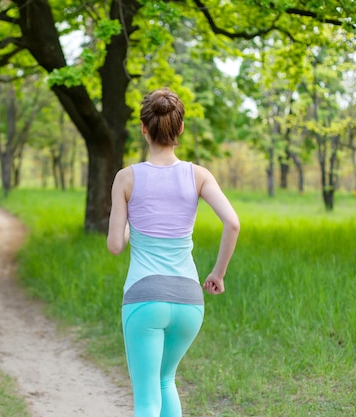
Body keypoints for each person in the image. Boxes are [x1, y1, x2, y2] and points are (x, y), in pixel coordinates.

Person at [106, 87, 240, 417]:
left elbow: (115, 246)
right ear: (180, 128)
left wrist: (129, 223)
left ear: (143, 128)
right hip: (188, 300)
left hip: (144, 298)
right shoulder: (199, 175)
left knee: (147, 398)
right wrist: (217, 274)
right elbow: (233, 223)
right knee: (167, 380)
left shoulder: (126, 178)